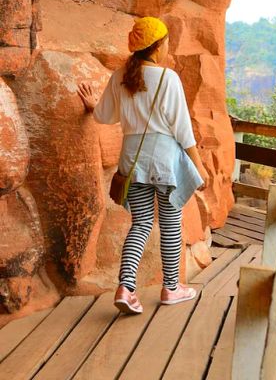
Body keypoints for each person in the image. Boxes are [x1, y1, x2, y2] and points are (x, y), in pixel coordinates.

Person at [78, 17, 210, 314]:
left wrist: (91, 106)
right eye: (166, 43)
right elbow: (183, 131)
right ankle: (172, 288)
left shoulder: (119, 76)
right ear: (157, 46)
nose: (167, 48)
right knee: (170, 225)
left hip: (132, 161)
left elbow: (104, 116)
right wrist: (199, 167)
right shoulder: (168, 79)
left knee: (139, 224)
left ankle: (126, 288)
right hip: (164, 163)